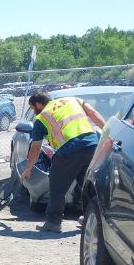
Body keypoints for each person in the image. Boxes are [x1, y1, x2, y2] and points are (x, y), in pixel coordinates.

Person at [20, 90, 106, 233]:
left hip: (69, 151)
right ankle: (92, 219)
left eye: (33, 107)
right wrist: (108, 132)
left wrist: (28, 168)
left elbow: (35, 147)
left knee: (57, 187)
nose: (34, 111)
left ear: (38, 103)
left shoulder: (42, 118)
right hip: (92, 145)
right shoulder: (73, 100)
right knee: (87, 184)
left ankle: (53, 222)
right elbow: (93, 113)